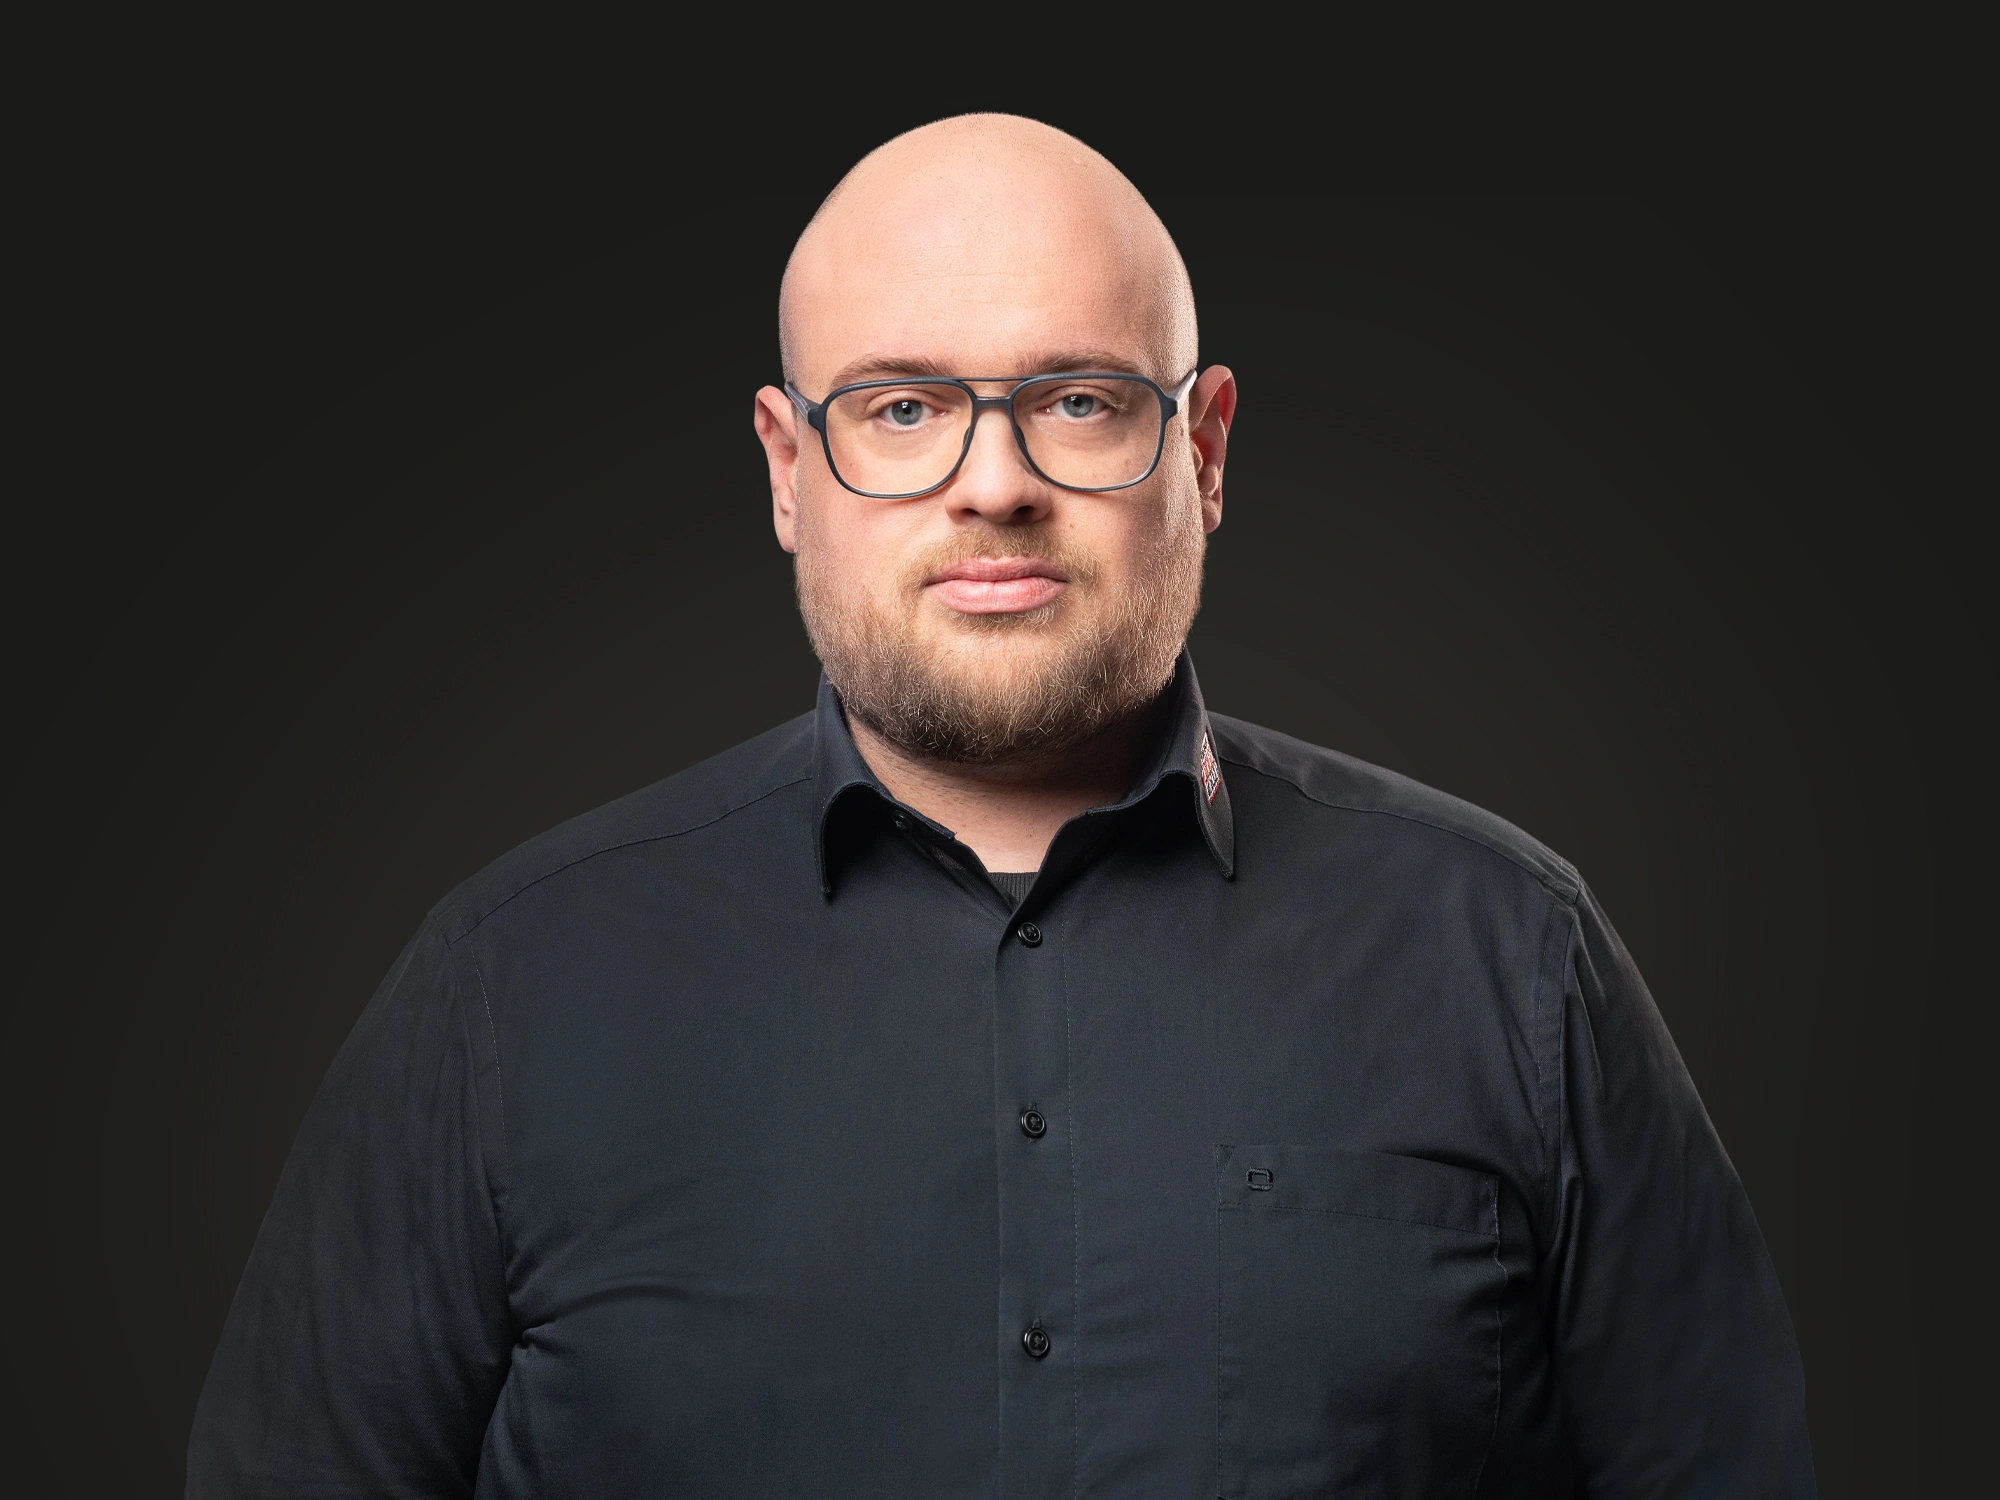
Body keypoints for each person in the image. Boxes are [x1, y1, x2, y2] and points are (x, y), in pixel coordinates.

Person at [188, 114, 1815, 1497]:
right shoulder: (504, 989)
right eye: (901, 408)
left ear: (1206, 449)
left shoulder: (1512, 958)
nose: (993, 483)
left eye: (1080, 399)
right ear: (787, 468)